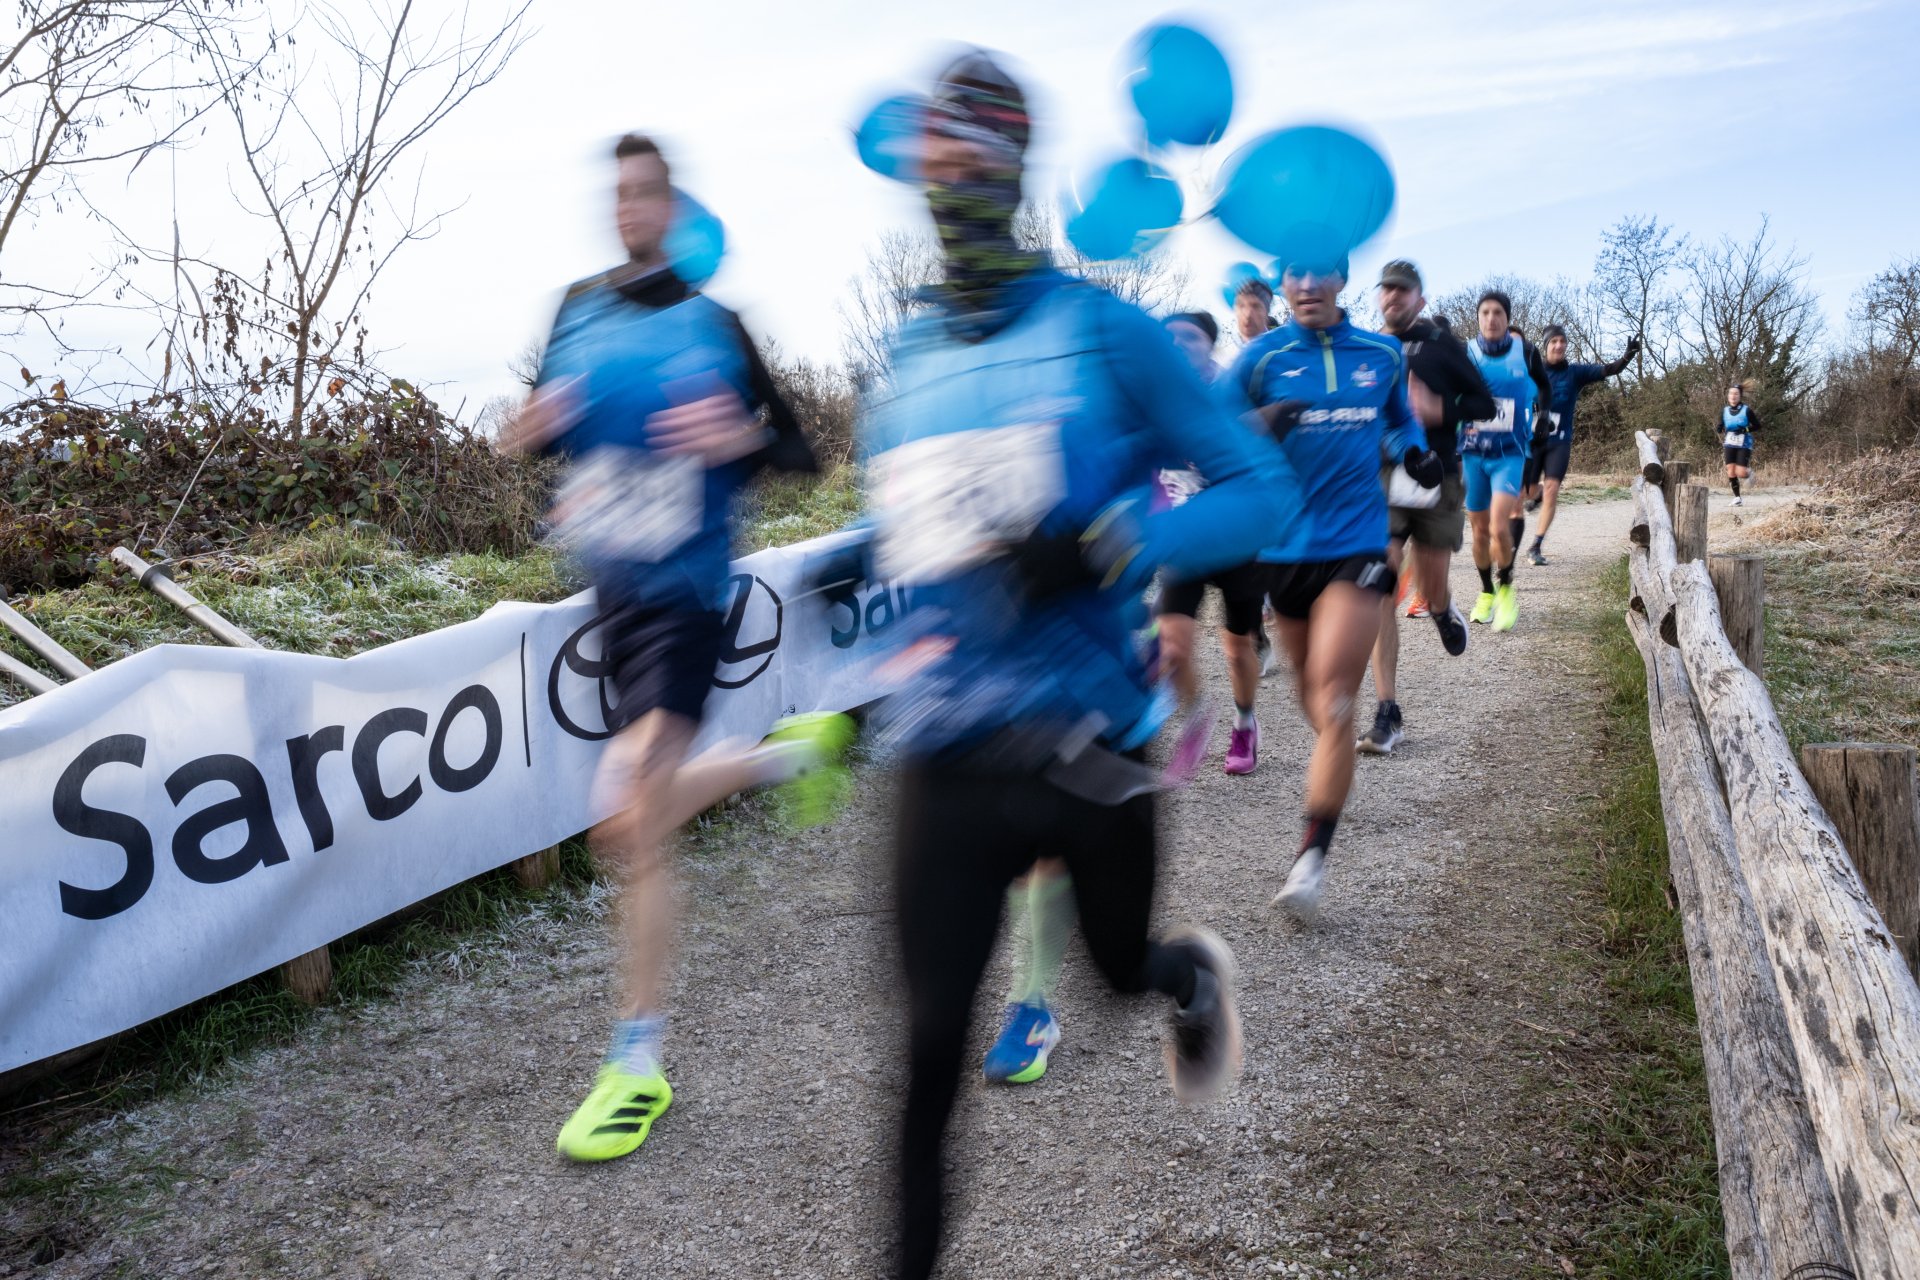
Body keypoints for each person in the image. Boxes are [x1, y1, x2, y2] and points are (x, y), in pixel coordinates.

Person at [831, 54, 1286, 1280]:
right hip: (947, 747)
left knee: (1112, 972)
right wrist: (858, 564)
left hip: (1088, 740)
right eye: (938, 160)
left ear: (1014, 167)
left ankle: (1185, 975)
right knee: (929, 1048)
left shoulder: (1102, 330)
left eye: (978, 157)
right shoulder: (908, 352)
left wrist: (1107, 539)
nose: (954, 183)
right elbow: (914, 523)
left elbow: (1260, 487)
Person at [499, 132, 852, 1164]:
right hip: (611, 599)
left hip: (691, 599)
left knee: (626, 809)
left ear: (673, 208)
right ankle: (789, 755)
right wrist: (532, 431)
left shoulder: (717, 324)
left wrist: (738, 440)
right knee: (631, 821)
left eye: (647, 192)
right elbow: (542, 433)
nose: (630, 208)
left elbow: (801, 450)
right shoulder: (575, 310)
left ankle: (637, 1063)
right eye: (619, 192)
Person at [1221, 254, 1442, 920]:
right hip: (1283, 550)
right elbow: (1204, 432)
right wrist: (1257, 427)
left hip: (1358, 543)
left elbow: (1398, 419)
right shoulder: (1258, 360)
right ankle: (1336, 758)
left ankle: (1310, 860)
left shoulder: (1380, 354)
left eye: (1321, 272)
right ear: (1282, 283)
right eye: (1295, 274)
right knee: (1313, 701)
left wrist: (1412, 450)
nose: (1309, 285)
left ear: (1342, 278)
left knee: (1336, 696)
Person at [1358, 260, 1491, 755]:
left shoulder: (1442, 344)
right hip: (1384, 479)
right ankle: (1387, 711)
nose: (1393, 297)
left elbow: (1483, 403)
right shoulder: (1368, 348)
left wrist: (1441, 408)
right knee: (1381, 585)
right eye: (1386, 290)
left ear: (1420, 299)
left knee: (1430, 584)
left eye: (1403, 290)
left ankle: (1440, 607)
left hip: (1438, 477)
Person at [1459, 290, 1552, 632]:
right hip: (1472, 454)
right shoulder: (1466, 353)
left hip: (1509, 455)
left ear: (1507, 317)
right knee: (1479, 532)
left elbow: (1544, 387)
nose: (1491, 318)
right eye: (1485, 312)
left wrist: (1543, 417)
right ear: (1478, 317)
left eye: (1498, 312)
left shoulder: (1526, 352)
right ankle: (1486, 592)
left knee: (1500, 526)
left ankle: (1507, 588)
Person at [1521, 324, 1641, 564]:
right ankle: (1538, 493)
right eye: (1553, 342)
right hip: (1533, 441)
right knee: (1527, 493)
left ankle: (1536, 545)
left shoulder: (1575, 373)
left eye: (1562, 341)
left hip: (1560, 441)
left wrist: (1627, 357)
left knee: (1553, 489)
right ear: (1546, 346)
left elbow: (1608, 370)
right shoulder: (1531, 371)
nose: (1559, 346)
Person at [1230, 279, 1281, 679]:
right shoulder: (1227, 362)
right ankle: (1258, 636)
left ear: (1268, 311)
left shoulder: (1281, 356)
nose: (1248, 315)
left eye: (1256, 307)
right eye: (1241, 306)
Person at [1722, 382, 1760, 505]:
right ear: (1728, 396)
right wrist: (1720, 427)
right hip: (1729, 443)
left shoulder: (1746, 410)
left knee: (1740, 472)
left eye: (1736, 394)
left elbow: (1757, 425)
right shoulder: (1725, 410)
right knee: (1730, 470)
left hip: (1744, 443)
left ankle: (1749, 473)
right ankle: (1737, 498)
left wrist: (1744, 430)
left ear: (1740, 396)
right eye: (1731, 393)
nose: (1733, 396)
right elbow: (1722, 422)